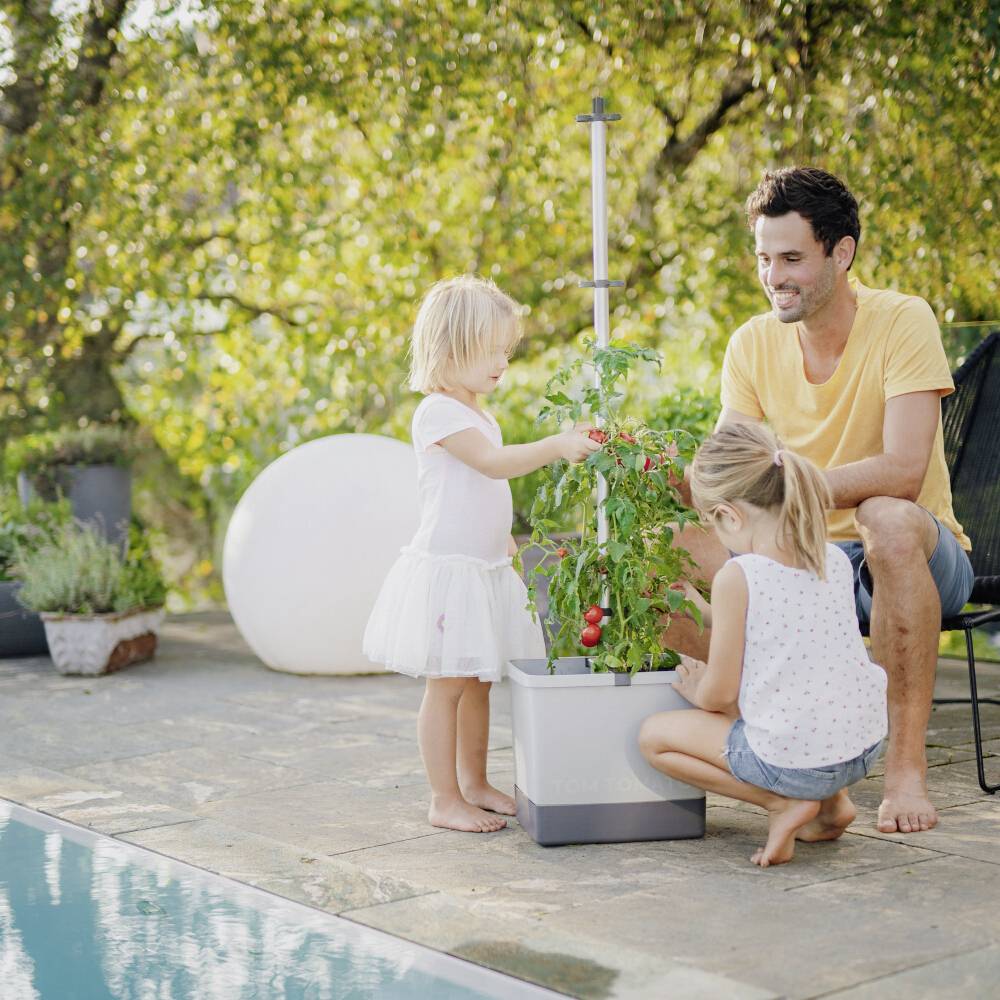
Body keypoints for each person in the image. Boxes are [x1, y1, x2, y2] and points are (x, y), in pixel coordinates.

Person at [665, 167, 974, 837]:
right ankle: (793, 768)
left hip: (916, 553)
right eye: (764, 258)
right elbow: (727, 481)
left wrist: (786, 493)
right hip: (801, 555)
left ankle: (904, 770)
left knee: (886, 519)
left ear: (841, 252)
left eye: (792, 258)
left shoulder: (901, 319)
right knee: (669, 554)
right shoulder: (750, 343)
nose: (774, 274)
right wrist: (672, 476)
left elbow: (902, 467)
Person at [363, 275, 602, 833]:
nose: (503, 363)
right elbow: (492, 467)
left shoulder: (476, 411)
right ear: (450, 349)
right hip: (452, 574)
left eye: (506, 351)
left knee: (478, 682)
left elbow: (486, 498)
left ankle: (474, 782)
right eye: (491, 350)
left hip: (485, 568)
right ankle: (443, 797)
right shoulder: (438, 413)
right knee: (446, 686)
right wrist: (556, 446)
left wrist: (509, 553)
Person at [641, 422, 888, 867]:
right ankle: (833, 806)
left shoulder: (738, 577)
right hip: (861, 746)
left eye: (713, 524)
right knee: (805, 696)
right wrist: (704, 606)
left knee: (654, 738)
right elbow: (778, 616)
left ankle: (782, 805)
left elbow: (720, 695)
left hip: (797, 761)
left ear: (730, 516)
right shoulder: (828, 556)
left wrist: (695, 687)